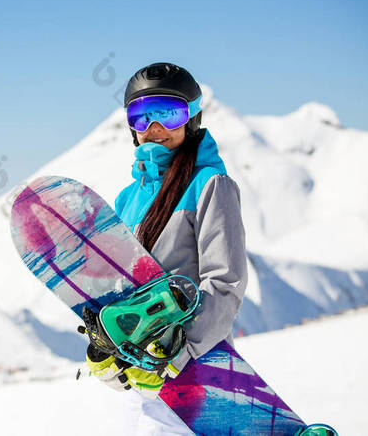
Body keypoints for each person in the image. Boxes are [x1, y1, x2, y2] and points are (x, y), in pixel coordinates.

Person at [85, 62, 248, 433]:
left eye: (168, 114)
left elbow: (225, 281)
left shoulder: (210, 184)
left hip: (190, 374)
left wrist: (179, 354)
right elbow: (119, 291)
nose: (154, 128)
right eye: (141, 116)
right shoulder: (128, 199)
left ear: (191, 118)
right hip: (141, 385)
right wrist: (105, 347)